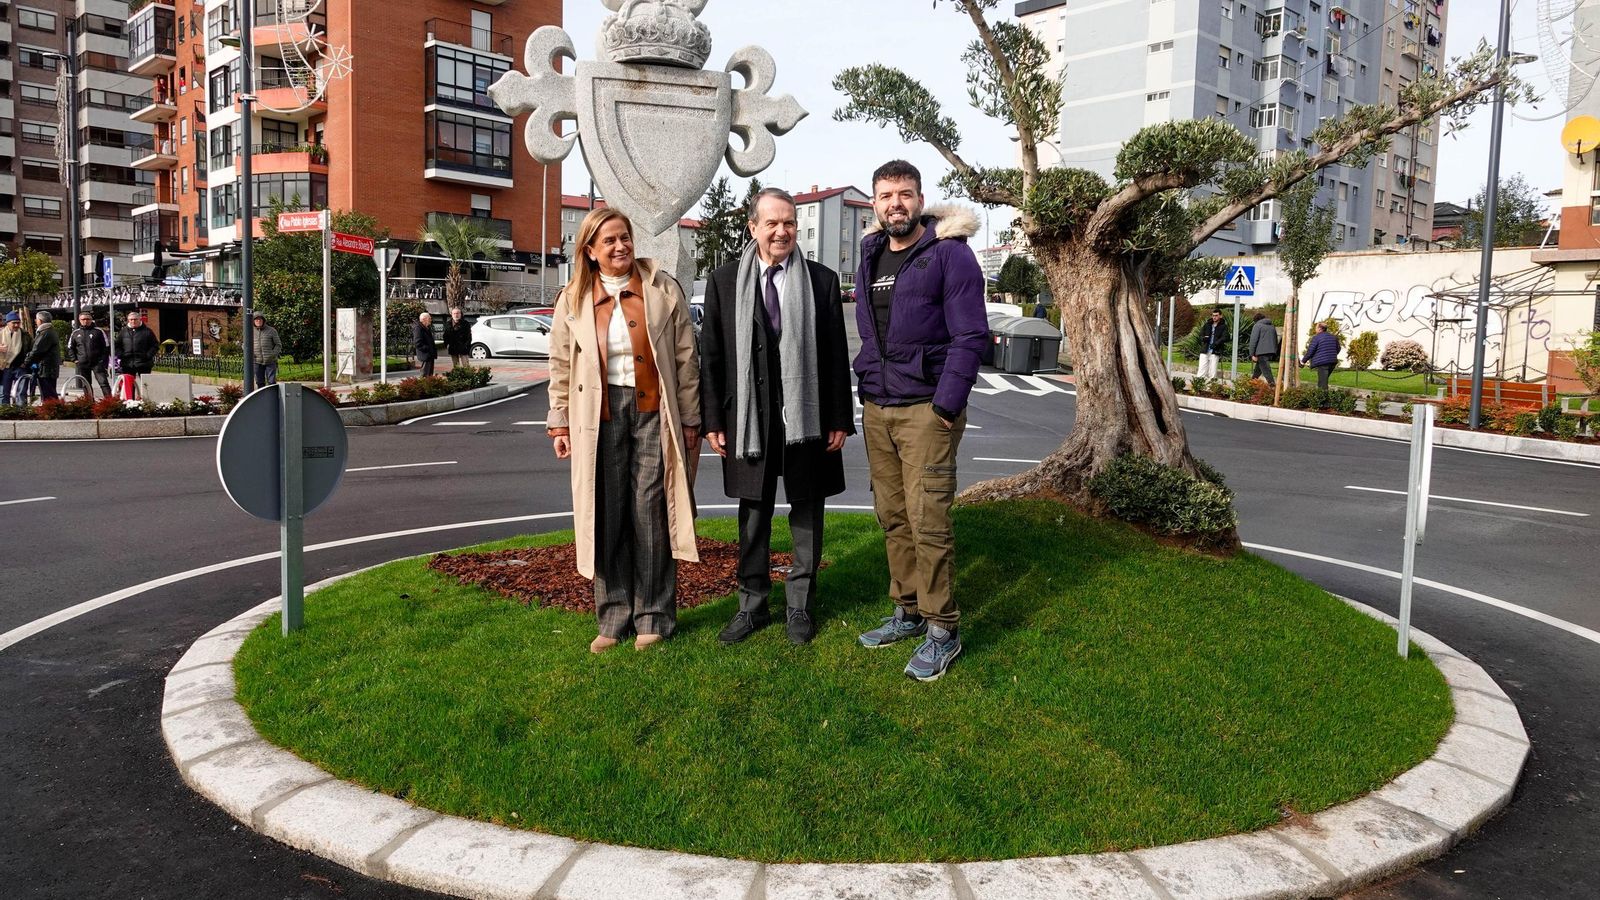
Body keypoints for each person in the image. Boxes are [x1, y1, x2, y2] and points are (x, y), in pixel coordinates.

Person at [852, 159, 987, 682]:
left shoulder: (950, 256)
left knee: (928, 519)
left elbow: (971, 336)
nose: (895, 204)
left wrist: (945, 406)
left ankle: (942, 629)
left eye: (904, 194)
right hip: (878, 405)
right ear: (874, 203)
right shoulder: (871, 256)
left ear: (920, 198)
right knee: (893, 516)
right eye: (885, 195)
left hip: (926, 408)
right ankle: (906, 610)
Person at [700, 188, 854, 645]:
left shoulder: (822, 281)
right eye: (772, 223)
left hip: (807, 418)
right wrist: (714, 420)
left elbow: (833, 357)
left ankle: (800, 606)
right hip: (748, 419)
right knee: (753, 514)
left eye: (789, 222)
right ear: (753, 228)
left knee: (808, 509)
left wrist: (839, 418)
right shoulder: (724, 281)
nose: (782, 231)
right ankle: (751, 605)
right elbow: (712, 357)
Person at [546, 208, 701, 653]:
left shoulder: (661, 287)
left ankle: (654, 616)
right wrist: (559, 421)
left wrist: (690, 418)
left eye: (626, 238)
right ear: (590, 251)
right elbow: (558, 364)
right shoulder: (572, 297)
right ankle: (613, 618)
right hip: (599, 414)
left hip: (655, 410)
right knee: (606, 511)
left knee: (650, 510)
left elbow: (686, 358)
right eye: (610, 241)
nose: (621, 247)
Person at [68, 311, 112, 399]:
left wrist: (102, 360)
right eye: (83, 319)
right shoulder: (75, 333)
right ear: (79, 320)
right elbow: (70, 348)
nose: (85, 321)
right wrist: (75, 360)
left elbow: (106, 347)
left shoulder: (99, 331)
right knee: (86, 384)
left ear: (91, 320)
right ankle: (89, 403)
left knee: (103, 383)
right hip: (82, 363)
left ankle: (110, 402)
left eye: (88, 319)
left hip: (97, 363)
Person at [117, 311, 158, 400]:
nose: (133, 321)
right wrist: (121, 355)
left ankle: (147, 401)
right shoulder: (123, 332)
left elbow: (155, 345)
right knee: (129, 384)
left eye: (135, 319)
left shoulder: (147, 331)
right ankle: (130, 401)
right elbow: (117, 346)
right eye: (131, 319)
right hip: (127, 363)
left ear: (139, 319)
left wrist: (148, 356)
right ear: (128, 320)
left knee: (146, 384)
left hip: (143, 362)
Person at [25, 311, 61, 402]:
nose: (35, 321)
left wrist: (25, 362)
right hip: (47, 368)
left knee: (48, 394)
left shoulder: (45, 333)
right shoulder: (49, 331)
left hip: (46, 369)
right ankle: (51, 410)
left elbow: (37, 351)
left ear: (40, 321)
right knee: (49, 393)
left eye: (36, 320)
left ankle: (52, 412)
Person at [2, 312, 31, 405]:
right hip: (5, 367)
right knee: (4, 392)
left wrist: (26, 363)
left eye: (18, 323)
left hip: (21, 367)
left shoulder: (25, 334)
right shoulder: (1, 334)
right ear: (7, 323)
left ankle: (21, 411)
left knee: (21, 392)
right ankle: (4, 411)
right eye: (14, 323)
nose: (16, 325)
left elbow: (32, 350)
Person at [1303, 321, 1341, 390]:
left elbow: (1310, 351)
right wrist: (1331, 355)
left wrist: (1303, 362)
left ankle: (1324, 399)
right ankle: (1320, 396)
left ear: (1320, 329)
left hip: (1323, 363)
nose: (1315, 329)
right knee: (1322, 381)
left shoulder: (1316, 338)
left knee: (1323, 384)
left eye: (1316, 328)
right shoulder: (1333, 337)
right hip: (1332, 362)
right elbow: (1338, 349)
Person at [1248, 312, 1280, 385]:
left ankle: (1273, 387)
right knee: (1258, 370)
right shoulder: (1272, 326)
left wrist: (1252, 354)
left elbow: (1253, 340)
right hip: (1271, 351)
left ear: (1255, 320)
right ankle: (1251, 384)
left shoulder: (1257, 326)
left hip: (1261, 352)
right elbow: (1275, 339)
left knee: (1266, 371)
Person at [251, 313, 281, 388]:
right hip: (256, 361)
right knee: (259, 382)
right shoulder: (250, 331)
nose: (258, 321)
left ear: (263, 320)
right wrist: (249, 353)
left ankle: (272, 398)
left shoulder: (272, 330)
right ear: (253, 321)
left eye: (260, 319)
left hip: (270, 361)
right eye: (256, 319)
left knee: (271, 382)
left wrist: (273, 354)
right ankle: (262, 398)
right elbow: (245, 345)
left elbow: (278, 344)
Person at [1196, 307, 1228, 379]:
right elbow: (1200, 335)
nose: (1214, 317)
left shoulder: (1223, 326)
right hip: (1205, 350)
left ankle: (1211, 387)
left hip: (1215, 351)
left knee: (1212, 372)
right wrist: (1204, 338)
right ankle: (1198, 386)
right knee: (1201, 370)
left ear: (1220, 316)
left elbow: (1225, 337)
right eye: (1213, 315)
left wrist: (1216, 343)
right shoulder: (1207, 325)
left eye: (1216, 315)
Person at [413, 312, 437, 377]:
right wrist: (428, 348)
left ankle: (428, 386)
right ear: (423, 319)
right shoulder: (418, 328)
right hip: (425, 355)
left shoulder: (426, 328)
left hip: (429, 355)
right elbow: (418, 343)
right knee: (425, 374)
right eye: (429, 318)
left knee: (429, 374)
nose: (430, 320)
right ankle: (422, 386)